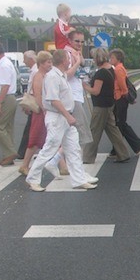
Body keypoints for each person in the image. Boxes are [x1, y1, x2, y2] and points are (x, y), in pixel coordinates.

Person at [26, 49, 97, 192]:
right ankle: (33, 178)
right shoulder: (53, 77)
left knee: (73, 148)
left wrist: (77, 61)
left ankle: (79, 179)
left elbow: (70, 73)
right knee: (49, 148)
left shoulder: (60, 75)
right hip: (58, 117)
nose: (69, 61)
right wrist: (68, 115)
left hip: (64, 117)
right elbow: (53, 99)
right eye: (68, 59)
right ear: (63, 60)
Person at [82, 47, 130, 164]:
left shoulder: (101, 73)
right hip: (109, 104)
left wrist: (85, 86)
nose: (93, 60)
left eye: (94, 58)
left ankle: (88, 157)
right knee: (113, 130)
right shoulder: (111, 69)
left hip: (100, 106)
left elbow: (96, 91)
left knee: (94, 131)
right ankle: (123, 153)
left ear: (97, 58)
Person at [19, 51, 52, 176]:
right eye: (48, 62)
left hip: (43, 111)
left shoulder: (44, 75)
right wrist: (45, 110)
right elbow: (38, 95)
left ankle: (63, 166)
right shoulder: (39, 76)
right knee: (36, 138)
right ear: (42, 63)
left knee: (50, 138)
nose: (50, 64)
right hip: (40, 112)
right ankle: (24, 165)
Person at [109, 48, 140, 156]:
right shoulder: (119, 68)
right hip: (120, 98)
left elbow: (122, 85)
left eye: (112, 57)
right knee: (119, 124)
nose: (110, 59)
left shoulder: (118, 69)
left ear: (118, 58)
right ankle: (116, 149)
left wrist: (127, 97)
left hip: (120, 98)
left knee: (120, 124)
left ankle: (137, 145)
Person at [64, 30, 94, 159]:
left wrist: (79, 58)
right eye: (77, 41)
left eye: (82, 41)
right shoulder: (67, 55)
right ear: (70, 41)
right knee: (81, 130)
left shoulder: (76, 53)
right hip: (71, 97)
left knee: (70, 132)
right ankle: (75, 163)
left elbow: (82, 66)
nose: (80, 44)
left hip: (76, 95)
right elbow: (65, 75)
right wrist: (77, 63)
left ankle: (61, 161)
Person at [16, 50, 38, 160]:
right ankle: (23, 152)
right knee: (30, 128)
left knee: (31, 128)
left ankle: (23, 152)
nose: (24, 62)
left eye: (25, 59)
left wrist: (27, 104)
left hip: (34, 101)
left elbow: (32, 89)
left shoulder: (35, 71)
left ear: (30, 59)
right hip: (33, 100)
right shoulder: (34, 70)